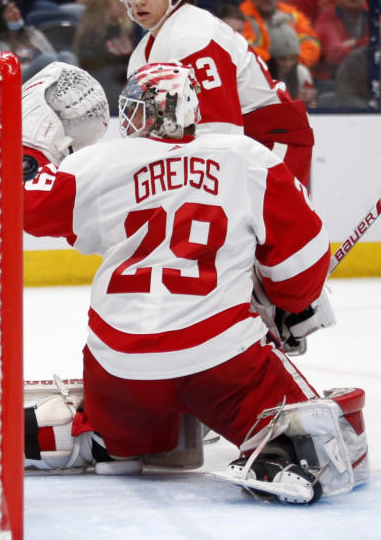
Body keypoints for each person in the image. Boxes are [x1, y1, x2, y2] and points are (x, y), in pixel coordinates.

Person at [19, 60, 368, 504]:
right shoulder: (246, 157)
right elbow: (302, 262)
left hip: (119, 366)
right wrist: (284, 303)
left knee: (115, 433)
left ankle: (95, 438)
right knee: (326, 434)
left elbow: (25, 203)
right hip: (221, 363)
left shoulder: (96, 163)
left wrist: (30, 145)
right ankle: (279, 452)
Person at [118, 0, 316, 187]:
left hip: (269, 147)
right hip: (237, 145)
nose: (138, 0)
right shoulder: (144, 50)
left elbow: (222, 138)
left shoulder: (193, 37)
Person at [240, 0, 321, 70]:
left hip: (295, 69)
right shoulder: (241, 17)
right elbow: (247, 51)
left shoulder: (292, 14)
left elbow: (311, 42)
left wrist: (295, 63)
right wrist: (275, 65)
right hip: (261, 76)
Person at [314, 0, 368, 82]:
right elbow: (334, 57)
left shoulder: (375, 18)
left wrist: (353, 43)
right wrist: (367, 43)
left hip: (368, 80)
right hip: (334, 82)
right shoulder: (326, 20)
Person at [267, 23, 317, 108]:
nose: (288, 64)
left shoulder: (302, 72)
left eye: (292, 59)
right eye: (283, 59)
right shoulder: (264, 74)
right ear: (273, 59)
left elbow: (310, 100)